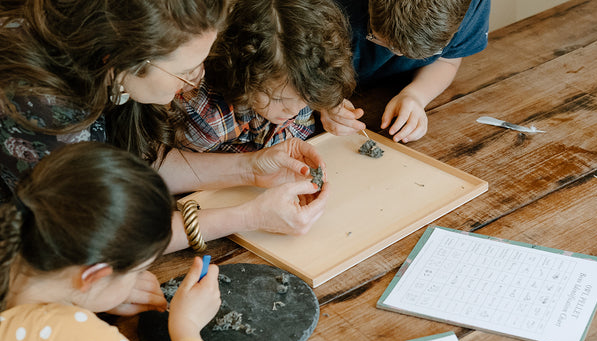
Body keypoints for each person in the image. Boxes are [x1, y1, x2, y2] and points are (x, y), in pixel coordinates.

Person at [0, 0, 329, 257]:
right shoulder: (37, 102)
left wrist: (250, 168)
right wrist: (249, 216)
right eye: (187, 70)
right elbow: (98, 239)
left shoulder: (107, 60)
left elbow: (138, 162)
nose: (198, 79)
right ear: (124, 58)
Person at [0, 142, 224, 341]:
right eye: (137, 270)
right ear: (93, 276)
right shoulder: (72, 340)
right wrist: (187, 328)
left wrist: (88, 298)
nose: (138, 279)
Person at [176, 0, 355, 153]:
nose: (293, 110)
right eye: (277, 99)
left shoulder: (298, 85)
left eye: (305, 99)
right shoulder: (206, 118)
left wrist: (324, 104)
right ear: (243, 78)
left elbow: (301, 128)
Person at [322, 0, 490, 143]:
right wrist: (320, 98)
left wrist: (417, 95)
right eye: (380, 40)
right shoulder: (324, 6)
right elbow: (296, 61)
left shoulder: (474, 6)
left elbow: (447, 59)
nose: (397, 54)